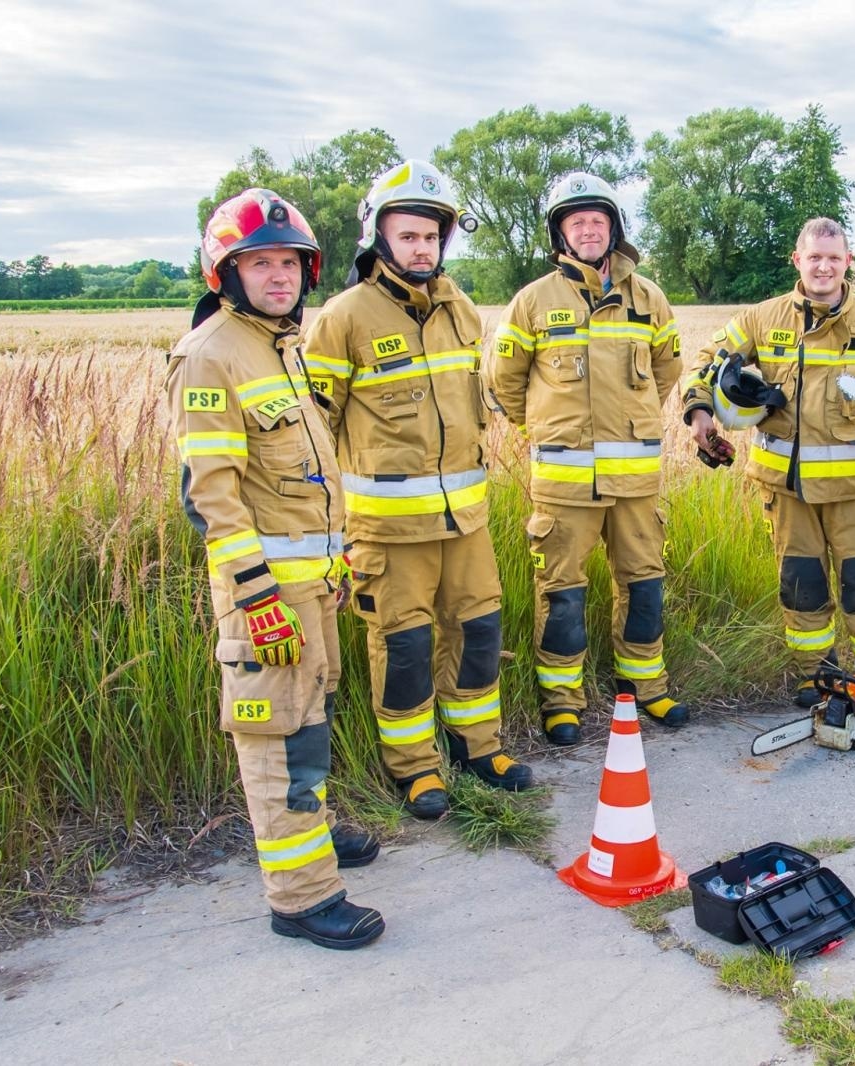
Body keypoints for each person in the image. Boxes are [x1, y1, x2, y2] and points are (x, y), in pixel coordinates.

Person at [166, 189, 383, 949]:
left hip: (311, 585)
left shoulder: (280, 346)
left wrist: (336, 557)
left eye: (289, 262)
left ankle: (314, 830)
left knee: (313, 717)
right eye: (260, 263)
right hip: (265, 594)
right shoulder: (211, 355)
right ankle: (300, 897)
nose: (279, 275)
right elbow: (212, 498)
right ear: (227, 273)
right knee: (278, 738)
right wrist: (257, 597)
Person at [303, 159, 530, 818]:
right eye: (407, 236)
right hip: (388, 531)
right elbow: (315, 433)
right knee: (403, 647)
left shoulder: (460, 308)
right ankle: (415, 768)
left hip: (466, 522)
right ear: (379, 237)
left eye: (431, 236)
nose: (421, 248)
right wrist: (326, 528)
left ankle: (477, 747)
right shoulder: (343, 318)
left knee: (478, 631)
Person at [685, 218, 855, 717]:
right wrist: (699, 410)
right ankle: (817, 674)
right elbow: (707, 361)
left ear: (847, 262)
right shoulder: (761, 318)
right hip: (786, 488)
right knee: (802, 585)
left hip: (854, 488)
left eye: (833, 258)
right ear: (797, 260)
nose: (824, 267)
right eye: (814, 257)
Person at [488, 172, 688, 743]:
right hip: (564, 482)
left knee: (644, 585)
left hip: (636, 482)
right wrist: (545, 429)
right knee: (562, 593)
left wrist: (631, 421)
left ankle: (645, 685)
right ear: (561, 233)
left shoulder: (648, 298)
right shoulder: (533, 301)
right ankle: (562, 701)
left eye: (597, 220)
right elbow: (504, 381)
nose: (588, 230)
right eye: (576, 222)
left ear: (614, 227)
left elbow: (667, 371)